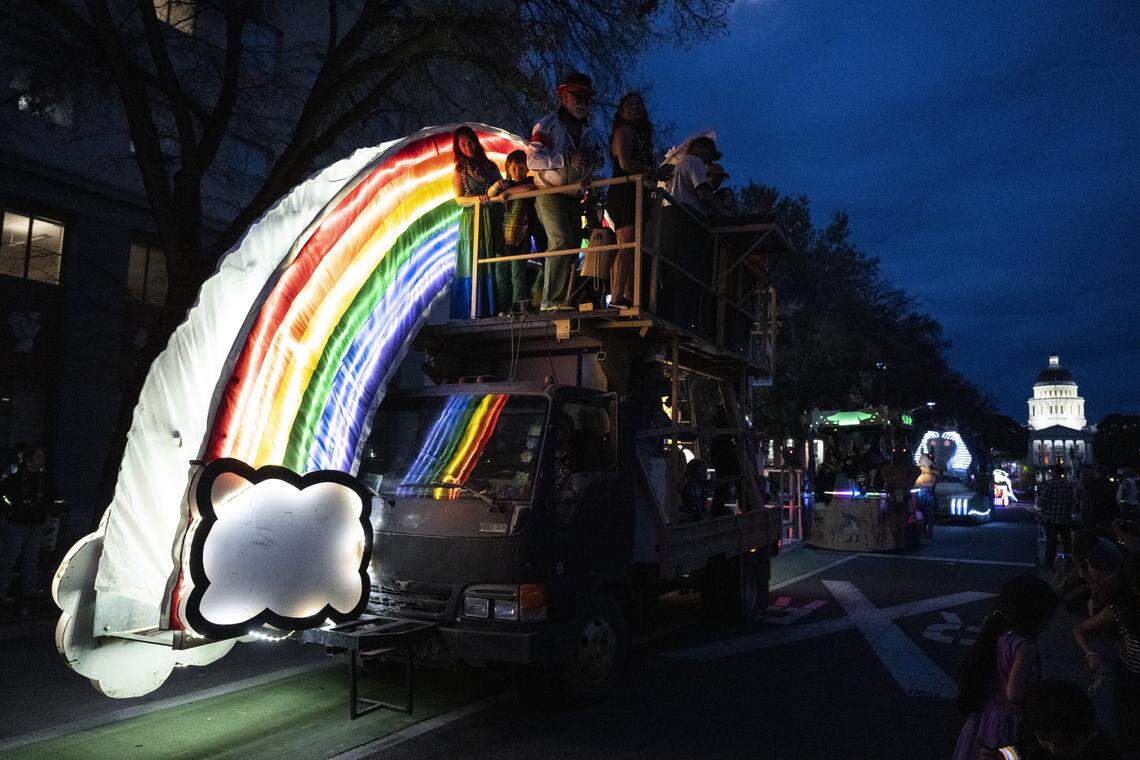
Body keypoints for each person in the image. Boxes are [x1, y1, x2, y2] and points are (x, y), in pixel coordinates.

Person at [954, 574, 1058, 760]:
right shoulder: (1025, 646)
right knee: (1008, 756)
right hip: (1006, 723)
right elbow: (1014, 694)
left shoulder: (996, 632)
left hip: (984, 717)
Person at [526, 72, 605, 312]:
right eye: (578, 96)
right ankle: (551, 301)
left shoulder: (590, 132)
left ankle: (564, 299)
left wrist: (591, 159)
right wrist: (567, 158)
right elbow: (532, 160)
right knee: (561, 240)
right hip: (549, 192)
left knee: (571, 245)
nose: (583, 102)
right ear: (563, 97)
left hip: (574, 196)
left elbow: (600, 159)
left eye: (587, 98)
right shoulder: (547, 125)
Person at [1074, 552, 1140, 755]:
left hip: (1128, 674)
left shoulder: (1123, 606)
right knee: (1129, 729)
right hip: (1129, 678)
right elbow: (1081, 629)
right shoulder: (1122, 608)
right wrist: (1090, 654)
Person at [607, 92, 658, 309]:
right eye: (630, 104)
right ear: (621, 111)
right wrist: (652, 171)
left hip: (638, 193)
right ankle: (617, 298)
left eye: (639, 104)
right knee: (627, 244)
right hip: (625, 192)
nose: (635, 107)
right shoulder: (624, 131)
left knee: (633, 247)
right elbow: (626, 163)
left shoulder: (642, 137)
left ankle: (627, 297)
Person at [450, 126, 506, 318]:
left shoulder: (491, 167)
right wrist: (477, 200)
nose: (468, 147)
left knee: (494, 259)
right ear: (458, 147)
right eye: (463, 145)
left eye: (470, 142)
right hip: (473, 220)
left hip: (493, 218)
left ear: (476, 141)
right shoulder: (460, 170)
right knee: (475, 260)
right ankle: (472, 309)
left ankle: (494, 307)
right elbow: (459, 199)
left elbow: (501, 189)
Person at [997, 679, 1122, 759]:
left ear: (1086, 735)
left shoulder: (1103, 753)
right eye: (1044, 738)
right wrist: (1003, 755)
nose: (1053, 748)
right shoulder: (1032, 732)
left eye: (1064, 742)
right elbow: (1019, 752)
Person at [0, 447, 57, 607]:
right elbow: (3, 493)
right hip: (17, 523)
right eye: (38, 456)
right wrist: (10, 509)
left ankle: (28, 593)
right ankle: (3, 592)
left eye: (43, 457)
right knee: (9, 559)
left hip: (36, 525)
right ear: (29, 459)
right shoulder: (16, 478)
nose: (41, 460)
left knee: (30, 559)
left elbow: (53, 496)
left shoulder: (45, 480)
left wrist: (45, 511)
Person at [490, 149, 542, 312]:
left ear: (527, 169)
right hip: (503, 237)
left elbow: (530, 189)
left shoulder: (530, 181)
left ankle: (518, 307)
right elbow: (490, 194)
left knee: (517, 273)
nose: (517, 172)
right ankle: (503, 308)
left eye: (521, 168)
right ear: (508, 168)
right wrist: (496, 186)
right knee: (500, 275)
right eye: (514, 169)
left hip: (521, 238)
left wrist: (508, 192)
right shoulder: (504, 183)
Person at [1038, 465, 1076, 571]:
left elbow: (1042, 501)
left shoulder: (1050, 484)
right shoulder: (1068, 484)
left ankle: (1049, 563)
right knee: (1066, 542)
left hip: (1051, 517)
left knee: (1051, 542)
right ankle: (1070, 562)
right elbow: (1072, 500)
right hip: (1065, 518)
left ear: (1054, 473)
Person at [916, 445, 940, 539]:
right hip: (921, 491)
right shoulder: (921, 469)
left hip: (928, 491)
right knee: (920, 512)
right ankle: (922, 531)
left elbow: (937, 474)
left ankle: (928, 532)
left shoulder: (933, 468)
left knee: (928, 513)